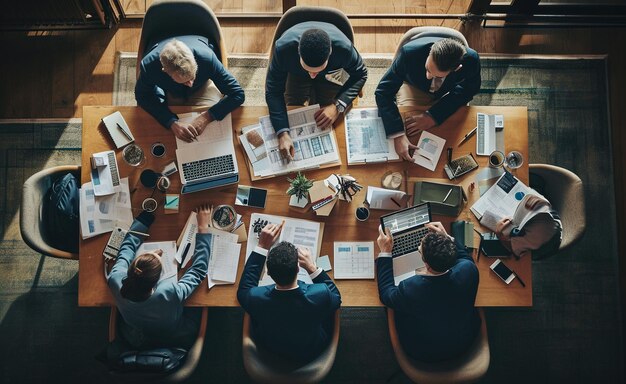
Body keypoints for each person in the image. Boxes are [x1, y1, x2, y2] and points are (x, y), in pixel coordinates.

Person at [107, 205, 213, 349]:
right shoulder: (168, 292)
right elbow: (198, 270)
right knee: (201, 301)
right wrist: (203, 229)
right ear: (157, 281)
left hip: (137, 335)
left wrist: (144, 220)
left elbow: (126, 249)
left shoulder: (115, 279)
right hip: (176, 335)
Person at [237, 222, 341, 364]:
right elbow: (336, 297)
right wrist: (312, 268)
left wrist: (261, 247)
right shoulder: (320, 294)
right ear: (298, 268)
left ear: (267, 271)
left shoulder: (256, 297)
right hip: (311, 349)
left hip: (271, 350)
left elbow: (243, 290)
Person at [376, 222, 481, 362]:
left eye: (420, 250)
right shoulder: (469, 270)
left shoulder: (411, 289)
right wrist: (447, 238)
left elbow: (386, 294)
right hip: (463, 343)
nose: (419, 247)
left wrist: (385, 252)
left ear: (426, 264)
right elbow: (465, 258)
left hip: (422, 351)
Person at [266, 23, 368, 161]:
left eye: (317, 70)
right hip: (296, 73)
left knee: (331, 122)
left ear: (330, 52)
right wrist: (282, 132)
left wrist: (337, 106)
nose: (312, 75)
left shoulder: (344, 49)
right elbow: (273, 91)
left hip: (332, 73)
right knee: (291, 106)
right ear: (298, 52)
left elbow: (361, 75)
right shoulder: (283, 49)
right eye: (308, 69)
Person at [375, 35, 481, 161]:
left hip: (447, 94)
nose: (428, 76)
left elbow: (470, 89)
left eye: (437, 75)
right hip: (414, 87)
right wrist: (397, 134)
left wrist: (434, 116)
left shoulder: (471, 60)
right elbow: (383, 92)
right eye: (427, 69)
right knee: (411, 133)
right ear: (431, 51)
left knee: (447, 136)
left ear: (457, 68)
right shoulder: (409, 54)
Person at [135, 36, 245, 142]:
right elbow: (142, 95)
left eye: (192, 77)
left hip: (203, 87)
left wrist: (207, 116)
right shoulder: (149, 67)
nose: (191, 84)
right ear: (165, 71)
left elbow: (238, 94)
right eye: (185, 81)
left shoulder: (207, 59)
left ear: (194, 61)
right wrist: (171, 122)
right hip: (170, 91)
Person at [495, 194, 562, 259]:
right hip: (552, 221)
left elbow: (514, 250)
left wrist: (499, 234)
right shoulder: (541, 206)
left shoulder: (538, 233)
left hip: (545, 247)